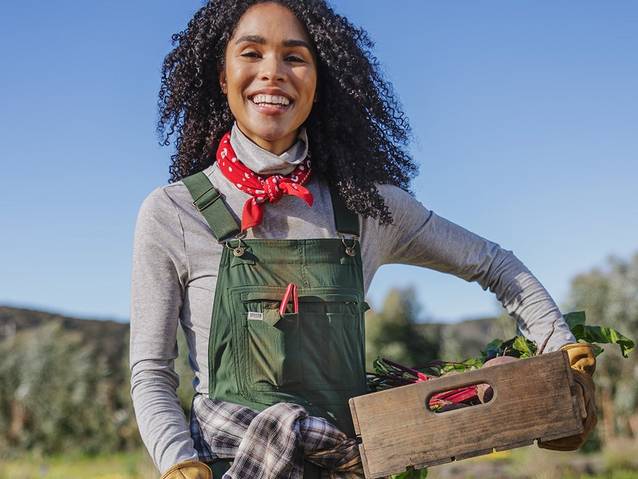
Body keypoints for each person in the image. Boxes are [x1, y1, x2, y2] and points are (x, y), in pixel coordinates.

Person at [129, 1, 597, 478]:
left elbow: (495, 263)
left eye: (295, 57)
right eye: (251, 53)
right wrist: (178, 464)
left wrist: (562, 351)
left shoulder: (368, 209)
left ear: (319, 81)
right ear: (222, 75)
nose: (272, 73)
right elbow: (151, 372)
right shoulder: (173, 213)